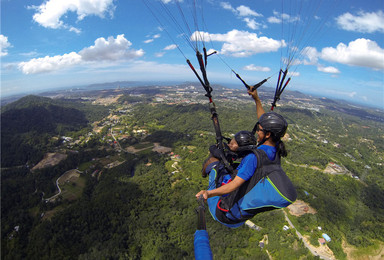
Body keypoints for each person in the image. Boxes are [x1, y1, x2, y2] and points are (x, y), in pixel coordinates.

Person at [196, 88, 297, 228]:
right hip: (238, 218)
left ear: (267, 134)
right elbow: (263, 120)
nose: (256, 131)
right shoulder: (276, 147)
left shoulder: (253, 158)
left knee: (213, 161)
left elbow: (233, 185)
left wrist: (208, 193)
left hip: (223, 213)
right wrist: (257, 99)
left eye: (259, 130)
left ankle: (205, 172)